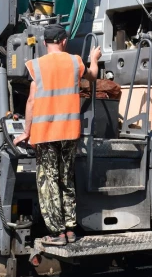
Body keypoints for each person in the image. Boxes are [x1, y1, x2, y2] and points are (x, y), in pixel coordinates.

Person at [13, 24, 101, 246]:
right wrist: (94, 58)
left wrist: (26, 131)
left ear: (44, 43)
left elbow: (32, 101)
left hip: (45, 133)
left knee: (48, 180)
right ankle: (71, 229)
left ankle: (56, 232)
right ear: (64, 41)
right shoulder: (75, 62)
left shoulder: (36, 66)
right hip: (69, 131)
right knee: (66, 178)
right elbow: (92, 76)